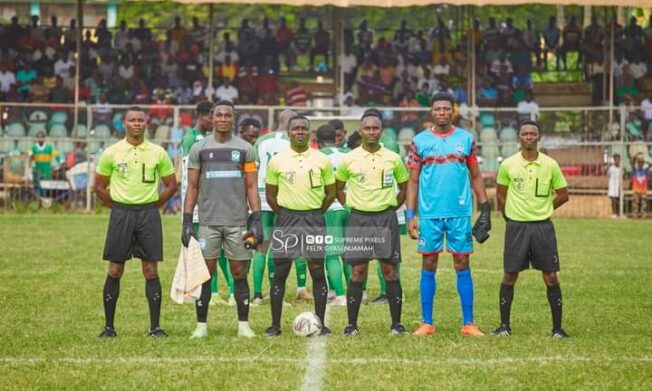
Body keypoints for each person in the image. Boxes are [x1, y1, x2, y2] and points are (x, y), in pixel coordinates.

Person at [407, 92, 490, 337]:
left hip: (459, 213)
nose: (442, 112)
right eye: (437, 109)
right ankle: (427, 323)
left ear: (452, 110)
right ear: (431, 112)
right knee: (429, 262)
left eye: (446, 108)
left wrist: (484, 209)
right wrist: (410, 215)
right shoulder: (419, 141)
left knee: (462, 262)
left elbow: (475, 175)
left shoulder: (466, 139)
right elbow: (412, 181)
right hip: (430, 215)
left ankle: (469, 324)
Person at [95, 107, 178, 338]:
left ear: (146, 123)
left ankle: (155, 327)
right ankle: (109, 327)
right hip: (122, 214)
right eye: (131, 120)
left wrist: (155, 204)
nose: (136, 124)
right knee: (115, 268)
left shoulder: (157, 152)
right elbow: (99, 187)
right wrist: (117, 207)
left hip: (148, 214)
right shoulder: (112, 152)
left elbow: (172, 185)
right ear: (124, 124)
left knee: (150, 269)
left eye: (140, 120)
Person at [182, 100, 262, 338]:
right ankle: (201, 326)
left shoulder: (246, 148)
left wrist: (256, 219)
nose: (223, 119)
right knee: (205, 275)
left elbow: (251, 187)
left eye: (228, 115)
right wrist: (187, 221)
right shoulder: (199, 148)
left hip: (239, 222)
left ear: (234, 117)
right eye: (219, 115)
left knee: (239, 273)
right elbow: (192, 187)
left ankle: (244, 325)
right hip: (207, 222)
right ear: (213, 117)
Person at [491, 120, 570, 338]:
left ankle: (557, 329)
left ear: (539, 137)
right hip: (516, 226)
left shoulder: (550, 164)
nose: (529, 137)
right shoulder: (508, 164)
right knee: (509, 275)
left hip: (542, 227)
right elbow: (500, 193)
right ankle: (504, 326)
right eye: (525, 134)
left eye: (532, 134)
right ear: (519, 137)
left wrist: (546, 209)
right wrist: (508, 214)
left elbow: (564, 194)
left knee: (551, 276)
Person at [336, 110, 409, 336]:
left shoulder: (393, 158)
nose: (371, 132)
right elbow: (338, 188)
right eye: (367, 128)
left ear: (381, 131)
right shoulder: (349, 158)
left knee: (390, 271)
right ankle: (352, 325)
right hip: (358, 219)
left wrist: (390, 207)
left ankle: (396, 324)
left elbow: (404, 187)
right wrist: (352, 208)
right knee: (358, 273)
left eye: (375, 128)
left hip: (385, 219)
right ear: (360, 131)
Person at [264, 115, 336, 336]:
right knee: (281, 272)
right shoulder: (277, 160)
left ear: (310, 132)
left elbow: (331, 193)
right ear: (289, 132)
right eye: (295, 128)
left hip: (314, 219)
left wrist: (314, 212)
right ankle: (275, 325)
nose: (300, 132)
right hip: (286, 220)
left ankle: (321, 323)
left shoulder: (321, 159)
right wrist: (287, 213)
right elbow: (270, 196)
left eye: (304, 128)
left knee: (317, 271)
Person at [252, 110, 311, 305]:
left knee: (262, 246)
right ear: (290, 125)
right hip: (283, 197)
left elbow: (252, 169)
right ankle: (289, 290)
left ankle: (258, 294)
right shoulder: (292, 143)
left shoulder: (261, 140)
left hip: (260, 196)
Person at [180, 101, 234, 306]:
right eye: (212, 116)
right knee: (200, 249)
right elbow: (188, 175)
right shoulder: (191, 139)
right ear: (203, 116)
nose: (216, 120)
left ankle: (222, 291)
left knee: (219, 249)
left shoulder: (212, 140)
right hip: (197, 204)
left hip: (213, 202)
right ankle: (202, 291)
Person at [316, 124, 349, 306]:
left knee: (331, 254)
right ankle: (356, 292)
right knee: (350, 252)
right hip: (351, 206)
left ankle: (341, 295)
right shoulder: (349, 154)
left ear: (317, 141)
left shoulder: (319, 157)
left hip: (330, 208)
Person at [607, 153, 623, 218]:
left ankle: (619, 213)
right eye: (616, 159)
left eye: (618, 159)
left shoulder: (621, 168)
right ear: (614, 160)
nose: (617, 161)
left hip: (619, 185)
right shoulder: (611, 168)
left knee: (619, 199)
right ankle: (614, 213)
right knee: (613, 199)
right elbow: (608, 174)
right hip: (613, 185)